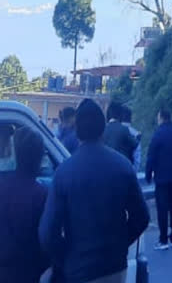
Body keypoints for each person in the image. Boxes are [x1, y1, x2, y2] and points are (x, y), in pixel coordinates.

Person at [39, 98, 149, 283]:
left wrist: (66, 259)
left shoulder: (64, 173)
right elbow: (142, 218)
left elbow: (47, 233)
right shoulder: (123, 166)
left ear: (77, 131)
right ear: (103, 129)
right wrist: (119, 246)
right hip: (114, 269)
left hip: (78, 271)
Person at [0, 126, 50, 283]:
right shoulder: (41, 194)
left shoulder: (3, 185)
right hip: (28, 272)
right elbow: (47, 237)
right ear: (39, 158)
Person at [145, 107, 172, 250]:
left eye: (158, 117)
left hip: (161, 178)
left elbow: (151, 157)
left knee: (162, 209)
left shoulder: (158, 135)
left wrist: (148, 174)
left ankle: (163, 240)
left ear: (162, 118)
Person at [122, 105, 142, 172]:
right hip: (130, 172)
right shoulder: (135, 134)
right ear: (130, 118)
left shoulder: (112, 132)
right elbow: (137, 158)